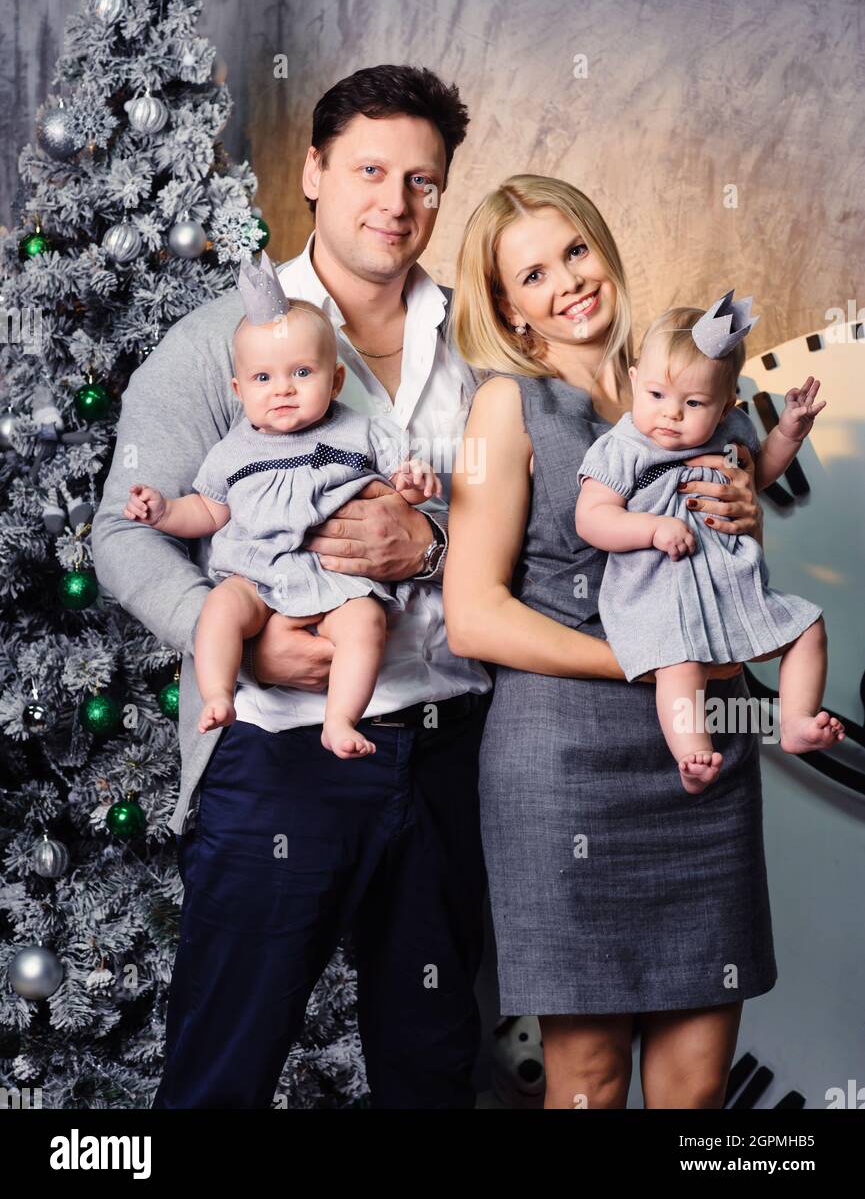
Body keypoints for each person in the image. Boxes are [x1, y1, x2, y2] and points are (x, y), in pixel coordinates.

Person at [91, 64, 491, 1109]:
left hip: (452, 749)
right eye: (368, 168)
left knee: (437, 1066)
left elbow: (522, 527)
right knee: (224, 1065)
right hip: (278, 752)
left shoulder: (479, 348)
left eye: (423, 180)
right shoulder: (216, 348)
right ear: (310, 171)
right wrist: (237, 638)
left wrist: (433, 541)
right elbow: (118, 534)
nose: (394, 203)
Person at [444, 174, 778, 1109]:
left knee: (696, 1088)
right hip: (564, 771)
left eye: (576, 252)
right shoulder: (505, 410)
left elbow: (728, 573)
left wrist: (749, 521)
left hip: (699, 766)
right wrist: (644, 662)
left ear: (606, 248)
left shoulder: (694, 378)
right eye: (534, 274)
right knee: (586, 1084)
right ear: (509, 310)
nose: (568, 283)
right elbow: (474, 613)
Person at [123, 285, 442, 755]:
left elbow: (400, 495)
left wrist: (415, 481)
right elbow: (210, 510)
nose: (283, 389)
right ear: (239, 389)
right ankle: (217, 693)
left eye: (301, 372)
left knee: (365, 624)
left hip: (337, 579)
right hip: (256, 574)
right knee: (220, 609)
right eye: (263, 378)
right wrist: (165, 511)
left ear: (334, 381)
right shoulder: (232, 450)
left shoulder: (360, 431)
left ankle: (340, 718)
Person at [576, 300, 843, 793]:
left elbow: (756, 476)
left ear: (725, 408)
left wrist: (788, 433)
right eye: (656, 394)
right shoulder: (623, 448)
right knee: (682, 666)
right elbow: (592, 518)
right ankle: (691, 754)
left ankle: (796, 721)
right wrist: (650, 529)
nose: (671, 414)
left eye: (694, 403)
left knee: (808, 627)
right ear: (636, 381)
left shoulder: (730, 435)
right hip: (660, 595)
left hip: (728, 588)